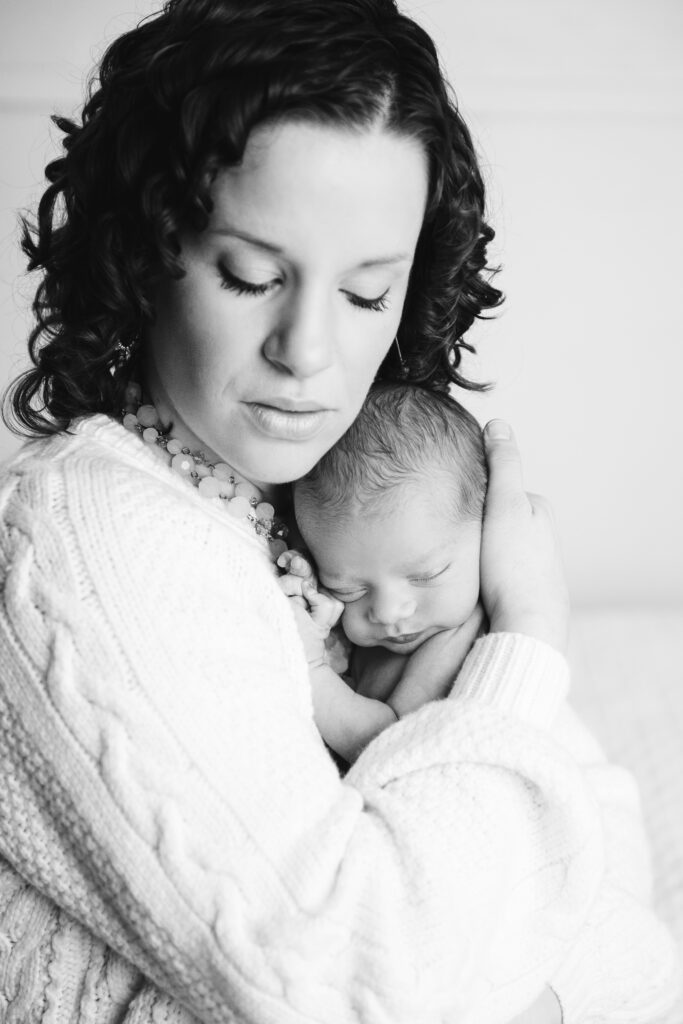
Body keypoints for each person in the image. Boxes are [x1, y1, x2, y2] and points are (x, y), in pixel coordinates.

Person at [0, 1, 678, 1022]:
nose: (307, 353)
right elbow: (335, 983)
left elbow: (612, 863)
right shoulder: (94, 532)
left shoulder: (325, 507)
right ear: (142, 255)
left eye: (366, 295)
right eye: (251, 274)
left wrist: (548, 988)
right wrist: (526, 640)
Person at [278, 382, 489, 764]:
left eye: (426, 574)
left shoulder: (462, 635)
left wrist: (311, 669)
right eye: (350, 590)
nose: (389, 613)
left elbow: (390, 742)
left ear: (489, 530)